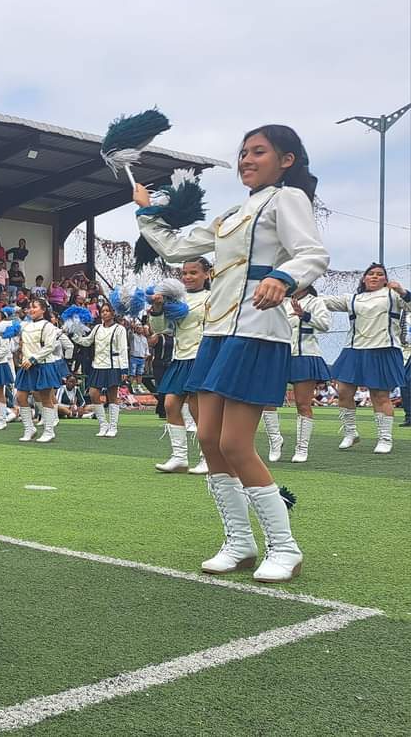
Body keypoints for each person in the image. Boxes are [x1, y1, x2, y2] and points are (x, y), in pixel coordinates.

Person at [134, 124, 327, 583]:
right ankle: (239, 543)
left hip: (257, 331)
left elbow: (312, 253)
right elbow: (177, 247)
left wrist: (282, 278)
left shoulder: (288, 199)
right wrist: (146, 213)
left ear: (286, 160)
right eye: (243, 152)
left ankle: (285, 547)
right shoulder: (232, 215)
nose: (246, 159)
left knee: (235, 444)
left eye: (258, 152)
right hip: (218, 332)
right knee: (208, 439)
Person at [323, 263, 410, 454]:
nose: (375, 276)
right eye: (371, 274)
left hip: (383, 348)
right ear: (364, 278)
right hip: (354, 349)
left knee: (380, 396)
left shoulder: (393, 295)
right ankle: (350, 433)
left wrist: (402, 291)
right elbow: (324, 302)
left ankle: (385, 438)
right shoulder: (353, 298)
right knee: (343, 392)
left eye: (380, 274)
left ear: (385, 279)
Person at [259, 287, 333, 463]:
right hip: (279, 356)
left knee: (302, 404)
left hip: (305, 355)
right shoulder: (280, 302)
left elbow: (325, 325)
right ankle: (275, 441)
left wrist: (304, 315)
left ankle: (301, 448)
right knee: (266, 401)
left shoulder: (316, 302)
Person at [150, 261, 211, 474]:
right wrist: (158, 307)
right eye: (184, 273)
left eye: (193, 272)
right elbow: (159, 329)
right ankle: (179, 458)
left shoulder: (211, 297)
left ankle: (208, 458)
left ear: (207, 274)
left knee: (197, 409)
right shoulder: (176, 299)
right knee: (170, 405)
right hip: (180, 357)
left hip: (201, 356)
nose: (187, 277)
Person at [70, 304, 129, 437]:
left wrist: (124, 369)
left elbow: (123, 349)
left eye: (107, 311)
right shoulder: (97, 328)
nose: (105, 313)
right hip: (98, 365)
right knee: (93, 393)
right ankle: (103, 424)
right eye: (102, 311)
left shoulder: (119, 329)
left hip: (113, 365)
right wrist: (74, 335)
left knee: (112, 396)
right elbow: (87, 342)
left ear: (112, 313)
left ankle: (113, 427)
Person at [15, 298, 62, 443]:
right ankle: (29, 429)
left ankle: (49, 431)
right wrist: (23, 356)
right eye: (30, 307)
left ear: (43, 310)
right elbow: (23, 345)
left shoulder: (48, 326)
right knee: (20, 396)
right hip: (27, 365)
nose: (31, 310)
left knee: (45, 398)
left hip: (42, 365)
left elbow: (49, 347)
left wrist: (33, 359)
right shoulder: (25, 326)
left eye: (35, 307)